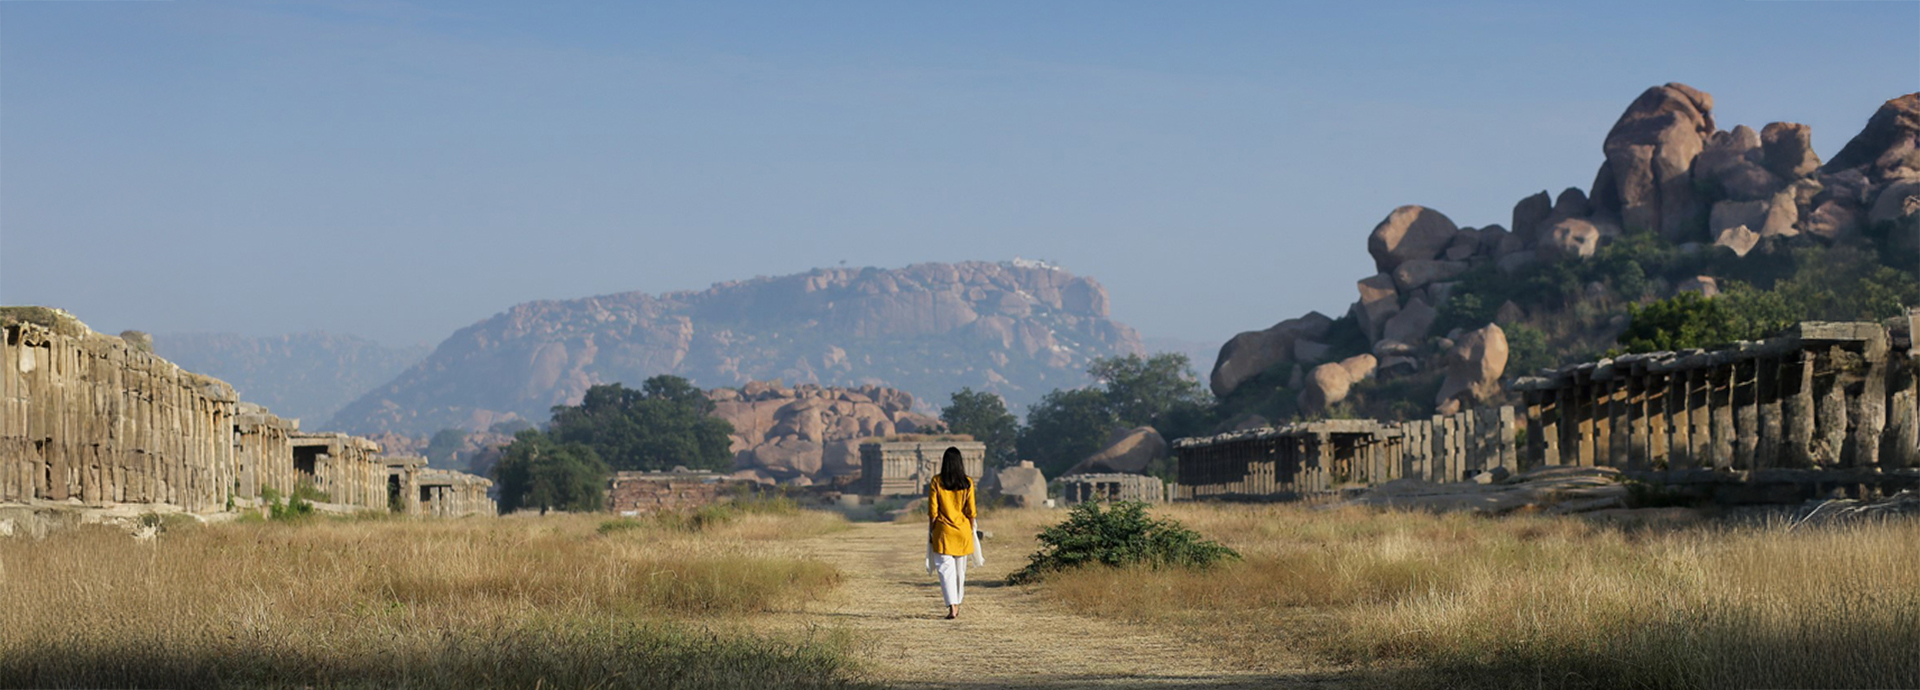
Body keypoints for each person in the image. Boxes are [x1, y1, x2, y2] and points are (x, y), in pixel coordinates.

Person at [926, 446, 976, 620]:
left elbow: (933, 511)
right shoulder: (968, 482)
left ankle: (953, 607)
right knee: (959, 572)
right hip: (962, 531)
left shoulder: (936, 481)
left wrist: (932, 530)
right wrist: (970, 529)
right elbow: (971, 511)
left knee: (945, 571)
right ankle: (957, 603)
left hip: (943, 531)